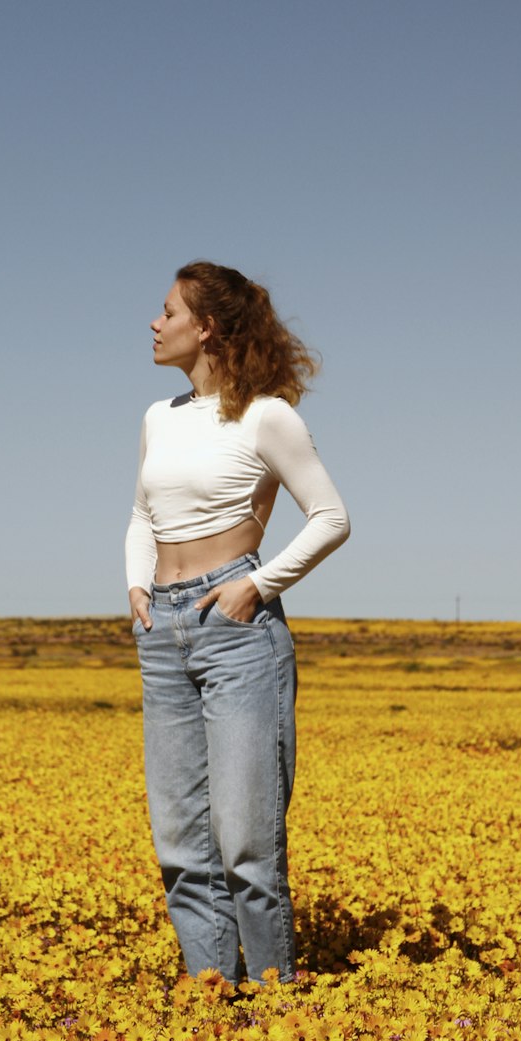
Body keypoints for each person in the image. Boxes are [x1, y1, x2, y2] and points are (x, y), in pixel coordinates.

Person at [125, 261, 350, 987]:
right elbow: (140, 515)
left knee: (246, 842)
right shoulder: (159, 417)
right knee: (182, 845)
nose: (154, 324)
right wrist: (135, 582)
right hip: (161, 631)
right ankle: (208, 1006)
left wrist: (256, 585)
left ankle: (276, 1011)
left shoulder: (266, 415)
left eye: (166, 312)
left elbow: (331, 518)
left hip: (236, 629)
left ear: (207, 327)